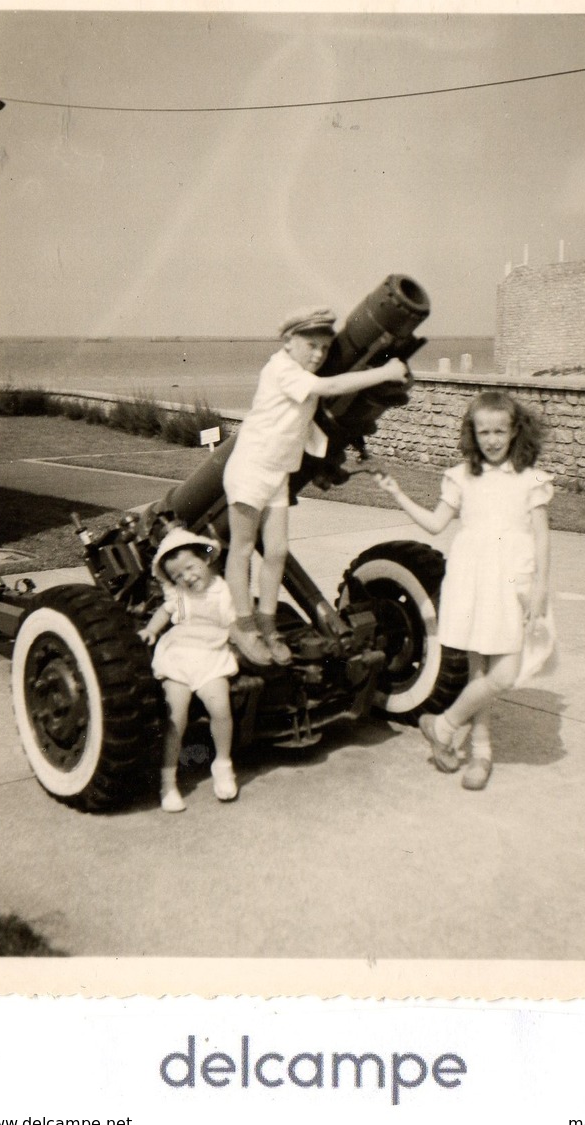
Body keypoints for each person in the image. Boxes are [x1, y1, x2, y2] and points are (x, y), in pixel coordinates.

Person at [376, 389, 553, 790]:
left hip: (514, 583)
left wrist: (542, 586)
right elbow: (437, 524)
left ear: (514, 432)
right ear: (472, 434)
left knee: (506, 673)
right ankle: (480, 754)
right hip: (474, 583)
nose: (492, 440)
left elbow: (542, 538)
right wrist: (398, 493)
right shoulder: (460, 477)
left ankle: (444, 724)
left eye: (500, 431)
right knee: (478, 671)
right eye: (484, 431)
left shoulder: (531, 479)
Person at [223, 305, 409, 666]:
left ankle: (267, 623)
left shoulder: (297, 371)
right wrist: (385, 372)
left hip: (277, 474)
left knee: (276, 551)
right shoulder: (281, 369)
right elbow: (331, 386)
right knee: (243, 549)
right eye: (312, 345)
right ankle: (242, 625)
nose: (320, 354)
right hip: (249, 471)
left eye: (325, 347)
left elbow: (306, 423)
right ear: (289, 342)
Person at [138, 527, 239, 813]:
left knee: (220, 709)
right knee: (176, 717)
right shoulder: (181, 595)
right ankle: (168, 781)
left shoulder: (222, 591)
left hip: (211, 656)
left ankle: (222, 764)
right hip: (180, 655)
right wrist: (151, 630)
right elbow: (166, 612)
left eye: (191, 568)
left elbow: (234, 623)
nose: (187, 577)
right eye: (179, 575)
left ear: (205, 560)